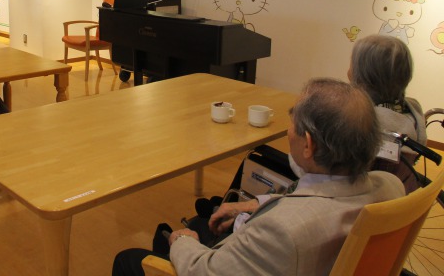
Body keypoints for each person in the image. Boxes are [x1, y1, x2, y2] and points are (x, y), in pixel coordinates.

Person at [112, 78, 404, 276]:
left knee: (128, 259)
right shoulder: (391, 186)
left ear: (309, 144)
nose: (288, 131)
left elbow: (205, 270)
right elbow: (317, 200)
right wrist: (254, 204)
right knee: (205, 222)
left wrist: (183, 242)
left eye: (292, 123)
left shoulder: (282, 232)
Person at [348, 34, 427, 193]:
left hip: (363, 197)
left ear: (361, 76)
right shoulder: (413, 111)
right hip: (401, 190)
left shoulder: (359, 121)